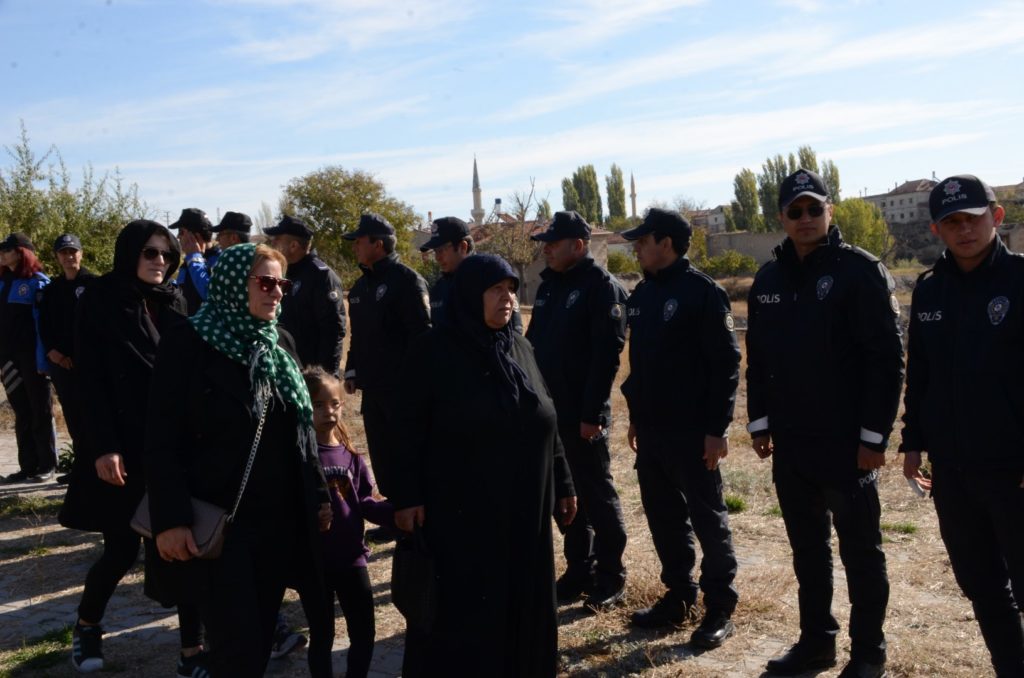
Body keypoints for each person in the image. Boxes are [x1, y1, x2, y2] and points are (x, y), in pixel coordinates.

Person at [145, 243, 332, 678]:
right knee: (237, 647)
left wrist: (319, 494)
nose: (277, 292)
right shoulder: (188, 342)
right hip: (218, 522)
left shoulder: (278, 343)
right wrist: (170, 519)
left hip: (277, 522)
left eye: (282, 283)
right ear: (232, 284)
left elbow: (301, 432)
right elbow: (161, 437)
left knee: (260, 639)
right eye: (265, 282)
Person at [747, 169, 904, 678]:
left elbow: (886, 361)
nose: (806, 218)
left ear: (830, 211)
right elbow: (758, 359)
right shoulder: (768, 280)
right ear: (782, 218)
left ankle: (868, 653)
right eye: (795, 211)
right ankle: (817, 643)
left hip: (846, 444)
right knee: (808, 552)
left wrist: (874, 438)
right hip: (793, 444)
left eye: (815, 208)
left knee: (861, 552)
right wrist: (760, 423)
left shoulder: (860, 271)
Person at [391, 253, 577, 678]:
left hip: (525, 514)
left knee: (523, 604)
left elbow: (547, 417)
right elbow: (403, 430)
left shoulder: (519, 348)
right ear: (470, 295)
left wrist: (564, 483)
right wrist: (406, 496)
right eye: (495, 289)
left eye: (511, 289)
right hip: (461, 517)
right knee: (466, 619)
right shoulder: (432, 352)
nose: (507, 298)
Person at [56, 220, 205, 675]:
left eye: (166, 254)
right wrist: (102, 447)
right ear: (129, 253)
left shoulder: (174, 300)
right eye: (149, 252)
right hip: (122, 447)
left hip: (171, 447)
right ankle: (87, 626)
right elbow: (91, 381)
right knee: (120, 550)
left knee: (183, 545)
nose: (160, 261)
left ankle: (192, 653)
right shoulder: (101, 299)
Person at [901, 175, 1024, 677]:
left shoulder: (1019, 280)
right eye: (951, 222)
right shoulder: (931, 289)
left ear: (996, 217)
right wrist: (912, 441)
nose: (964, 230)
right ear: (937, 229)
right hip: (953, 471)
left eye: (972, 219)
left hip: (1014, 469)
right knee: (983, 586)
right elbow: (921, 373)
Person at [618, 208, 741, 649]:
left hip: (692, 432)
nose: (636, 249)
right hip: (653, 431)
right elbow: (641, 364)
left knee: (708, 518)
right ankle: (679, 595)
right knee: (664, 517)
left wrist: (717, 429)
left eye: (642, 241)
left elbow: (725, 365)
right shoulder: (644, 294)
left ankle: (719, 606)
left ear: (665, 243)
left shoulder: (702, 293)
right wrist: (636, 416)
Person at [526, 210, 629, 610]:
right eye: (545, 244)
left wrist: (592, 415)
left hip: (583, 415)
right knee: (566, 496)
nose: (547, 250)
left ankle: (611, 576)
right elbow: (532, 347)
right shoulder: (550, 286)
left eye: (553, 243)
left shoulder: (601, 287)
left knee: (596, 495)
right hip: (552, 414)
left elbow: (606, 356)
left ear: (579, 246)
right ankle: (578, 569)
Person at [303, 366, 393, 678]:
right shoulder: (299, 458)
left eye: (334, 404)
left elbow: (366, 501)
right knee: (322, 636)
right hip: (315, 565)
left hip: (352, 558)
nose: (328, 411)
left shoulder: (351, 455)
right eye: (318, 405)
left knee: (364, 633)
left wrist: (397, 516)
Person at [343, 212, 430, 499]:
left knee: (409, 461)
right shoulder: (360, 288)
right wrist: (352, 368)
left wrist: (414, 386)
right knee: (383, 460)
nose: (355, 246)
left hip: (403, 393)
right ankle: (394, 513)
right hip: (373, 391)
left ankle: (416, 522)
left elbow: (422, 338)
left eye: (359, 241)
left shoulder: (407, 281)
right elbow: (359, 335)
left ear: (378, 244)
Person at [37, 233, 97, 484]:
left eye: (73, 251)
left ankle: (98, 467)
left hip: (91, 364)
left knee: (94, 415)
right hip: (62, 363)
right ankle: (81, 468)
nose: (69, 256)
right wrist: (54, 353)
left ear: (81, 254)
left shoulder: (95, 285)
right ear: (57, 257)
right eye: (64, 252)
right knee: (73, 416)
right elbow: (44, 325)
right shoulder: (52, 290)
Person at [0, 232, 57, 484]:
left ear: (22, 252)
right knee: (21, 411)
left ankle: (47, 464)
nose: (2, 254)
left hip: (33, 358)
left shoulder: (37, 282)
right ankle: (27, 466)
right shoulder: (3, 282)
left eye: (7, 249)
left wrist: (44, 360)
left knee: (40, 410)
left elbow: (46, 325)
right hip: (8, 359)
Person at [265, 215, 347, 375]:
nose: (272, 243)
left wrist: (325, 376)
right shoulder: (283, 273)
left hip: (309, 372)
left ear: (293, 245)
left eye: (277, 239)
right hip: (284, 368)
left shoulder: (321, 276)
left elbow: (332, 330)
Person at [419, 215, 523, 333]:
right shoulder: (439, 288)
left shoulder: (493, 280)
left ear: (463, 247)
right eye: (435, 251)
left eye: (442, 250)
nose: (437, 257)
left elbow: (514, 334)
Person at [169, 207, 219, 315]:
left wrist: (195, 258)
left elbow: (213, 296)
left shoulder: (220, 260)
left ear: (195, 235)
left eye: (181, 232)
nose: (178, 236)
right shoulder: (189, 261)